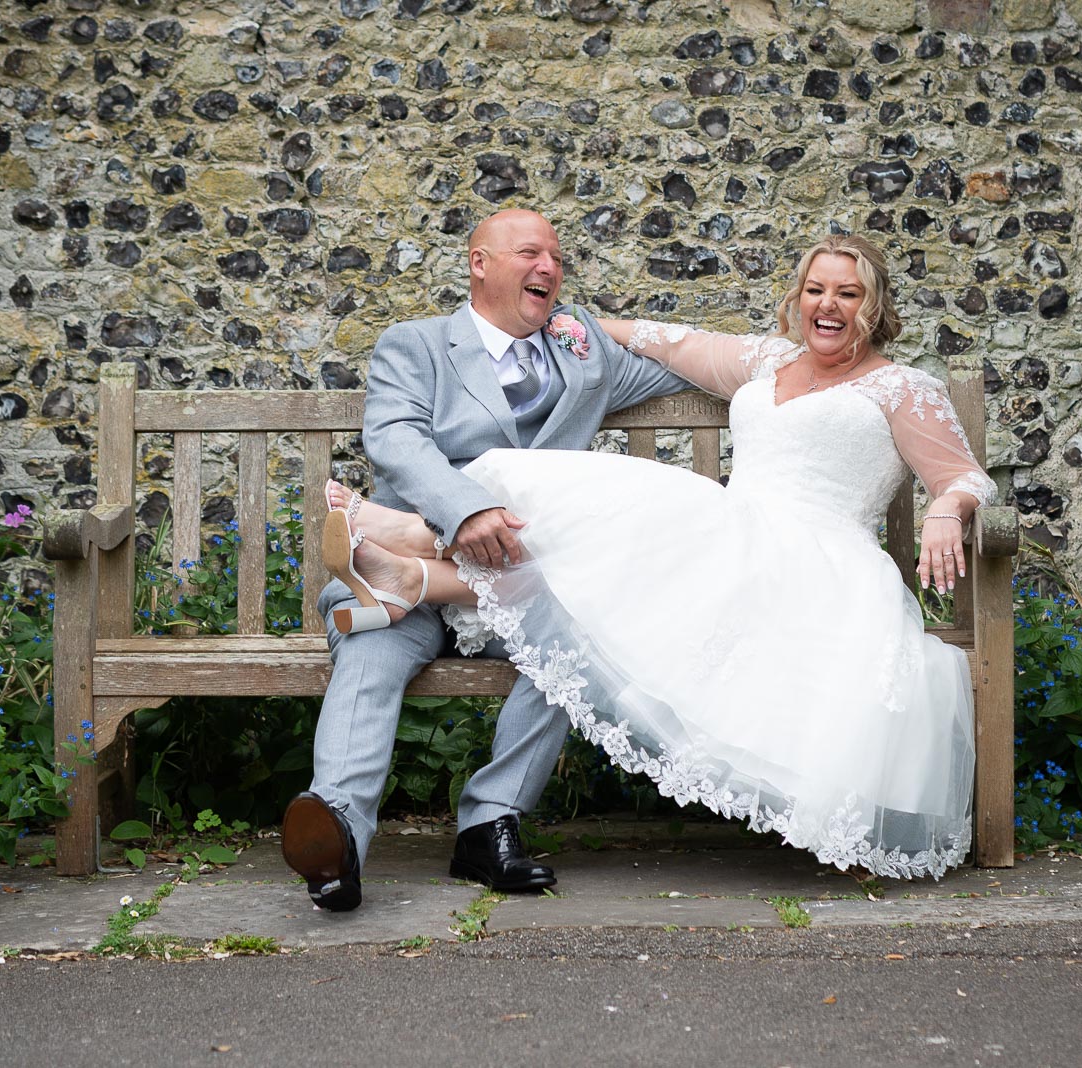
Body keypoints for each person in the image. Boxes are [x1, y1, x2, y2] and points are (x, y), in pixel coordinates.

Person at [319, 234, 995, 879]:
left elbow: (965, 476)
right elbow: (666, 342)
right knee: (622, 538)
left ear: (873, 307)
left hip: (815, 565)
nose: (828, 305)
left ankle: (410, 546)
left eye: (848, 294)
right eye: (815, 290)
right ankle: (412, 571)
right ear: (798, 297)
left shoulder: (902, 387)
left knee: (621, 544)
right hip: (737, 540)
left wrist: (946, 508)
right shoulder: (767, 360)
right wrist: (574, 324)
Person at [281, 209, 691, 911]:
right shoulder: (415, 346)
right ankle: (338, 841)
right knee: (370, 645)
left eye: (557, 258)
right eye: (531, 252)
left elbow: (678, 362)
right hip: (414, 576)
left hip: (521, 584)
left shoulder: (582, 354)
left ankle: (489, 826)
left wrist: (793, 361)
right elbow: (397, 441)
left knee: (582, 631)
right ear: (479, 263)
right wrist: (465, 508)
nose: (549, 268)